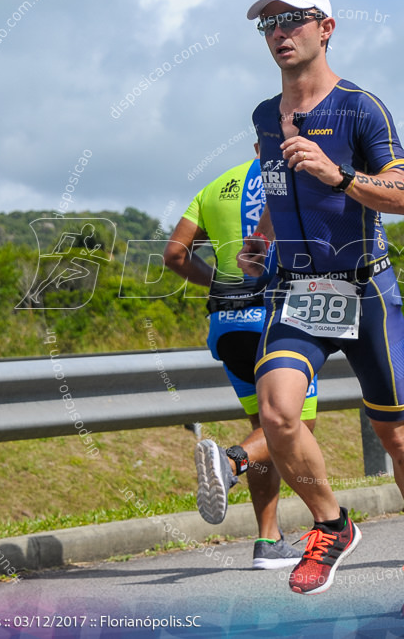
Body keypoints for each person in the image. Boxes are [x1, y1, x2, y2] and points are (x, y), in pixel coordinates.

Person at [238, 0, 404, 618]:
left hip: (364, 291)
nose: (280, 32)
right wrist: (259, 242)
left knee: (398, 438)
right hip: (296, 290)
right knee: (277, 415)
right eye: (269, 24)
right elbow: (281, 189)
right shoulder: (262, 115)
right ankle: (331, 525)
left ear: (325, 28)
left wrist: (340, 175)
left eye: (293, 20)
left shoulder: (362, 108)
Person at [163, 151, 319, 570]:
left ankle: (268, 541)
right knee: (294, 427)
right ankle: (230, 460)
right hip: (278, 321)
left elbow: (175, 255)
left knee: (265, 428)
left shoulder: (213, 187)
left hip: (226, 325)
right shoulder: (298, 177)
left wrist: (220, 281)